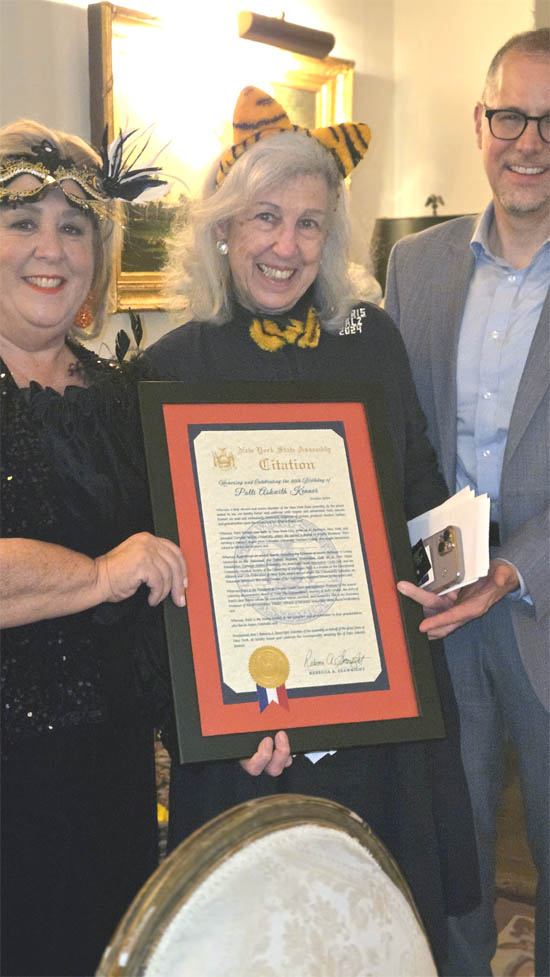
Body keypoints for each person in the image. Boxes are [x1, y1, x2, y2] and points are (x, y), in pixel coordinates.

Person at [146, 85, 480, 972]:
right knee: (260, 936)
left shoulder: (371, 336)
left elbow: (422, 484)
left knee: (384, 920)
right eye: (264, 218)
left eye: (309, 223)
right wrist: (207, 703)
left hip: (378, 698)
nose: (286, 246)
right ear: (222, 227)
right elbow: (163, 575)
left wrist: (454, 574)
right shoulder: (169, 368)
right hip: (251, 731)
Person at [0, 120, 187, 977]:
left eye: (73, 226)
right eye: (21, 220)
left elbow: (174, 575)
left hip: (112, 783)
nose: (51, 248)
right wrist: (98, 575)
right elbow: (124, 569)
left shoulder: (122, 396)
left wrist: (256, 701)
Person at [385, 29, 549, 977]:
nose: (529, 140)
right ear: (479, 121)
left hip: (538, 596)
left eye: (549, 119)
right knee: (454, 859)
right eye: (510, 116)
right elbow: (400, 438)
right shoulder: (418, 265)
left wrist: (514, 565)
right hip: (442, 612)